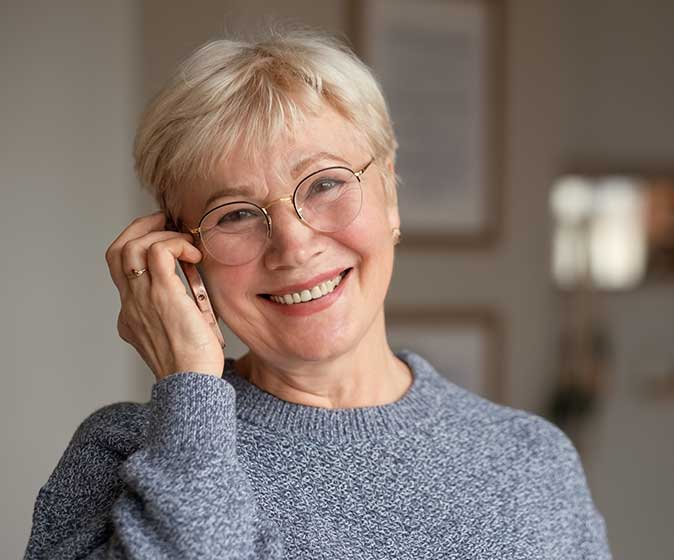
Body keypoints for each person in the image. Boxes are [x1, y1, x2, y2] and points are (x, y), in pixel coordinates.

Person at [24, 29, 611, 559]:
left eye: (326, 183)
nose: (294, 246)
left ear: (390, 195)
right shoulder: (128, 452)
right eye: (235, 214)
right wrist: (191, 398)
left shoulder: (532, 459)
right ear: (183, 252)